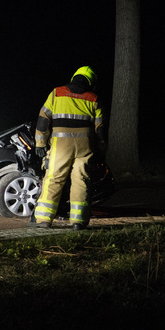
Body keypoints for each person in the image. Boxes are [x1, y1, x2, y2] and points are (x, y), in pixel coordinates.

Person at [32, 66, 106, 230]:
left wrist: (40, 144)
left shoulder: (57, 93)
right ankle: (78, 222)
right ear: (90, 81)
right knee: (81, 181)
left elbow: (43, 119)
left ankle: (44, 219)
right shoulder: (93, 98)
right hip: (84, 147)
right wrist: (101, 148)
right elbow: (100, 128)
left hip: (61, 146)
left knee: (54, 179)